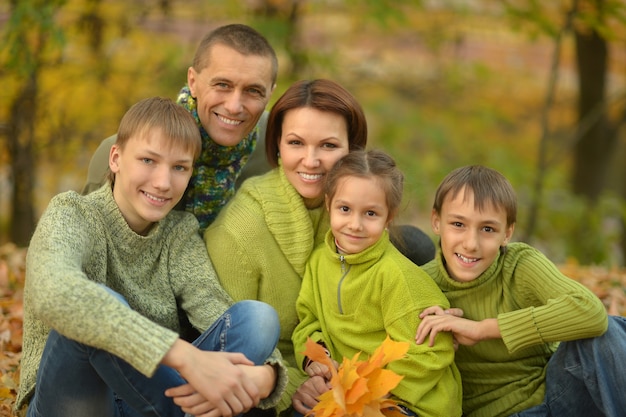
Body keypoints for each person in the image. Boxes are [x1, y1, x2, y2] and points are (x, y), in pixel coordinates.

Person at [17, 97, 287, 417]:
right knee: (98, 304)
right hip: (74, 399)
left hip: (145, 397)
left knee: (258, 319)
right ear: (115, 158)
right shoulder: (72, 213)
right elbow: (55, 293)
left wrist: (267, 376)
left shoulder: (178, 233)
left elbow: (213, 307)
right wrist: (184, 356)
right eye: (148, 160)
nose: (162, 182)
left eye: (179, 168)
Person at [204, 79, 435, 416]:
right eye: (296, 143)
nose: (311, 161)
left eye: (328, 146)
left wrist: (444, 306)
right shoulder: (240, 230)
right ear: (278, 146)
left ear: (352, 151)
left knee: (413, 244)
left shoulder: (356, 214)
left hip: (354, 369)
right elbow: (233, 345)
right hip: (271, 377)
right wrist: (297, 382)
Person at [415, 165, 626, 417]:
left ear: (507, 233)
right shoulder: (420, 283)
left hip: (558, 395)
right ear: (436, 221)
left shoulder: (519, 265)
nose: (471, 244)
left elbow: (591, 312)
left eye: (488, 229)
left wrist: (482, 329)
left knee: (606, 330)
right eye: (458, 224)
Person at [291, 149, 462, 417]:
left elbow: (432, 352)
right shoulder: (318, 263)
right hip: (346, 393)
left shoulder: (397, 277)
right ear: (328, 204)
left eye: (370, 214)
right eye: (345, 209)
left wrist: (368, 388)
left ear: (389, 216)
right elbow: (308, 319)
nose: (355, 224)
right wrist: (316, 356)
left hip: (410, 403)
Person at [82, 23, 278, 233]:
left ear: (270, 93)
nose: (234, 106)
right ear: (193, 81)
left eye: (253, 91)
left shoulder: (282, 145)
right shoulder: (125, 155)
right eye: (222, 85)